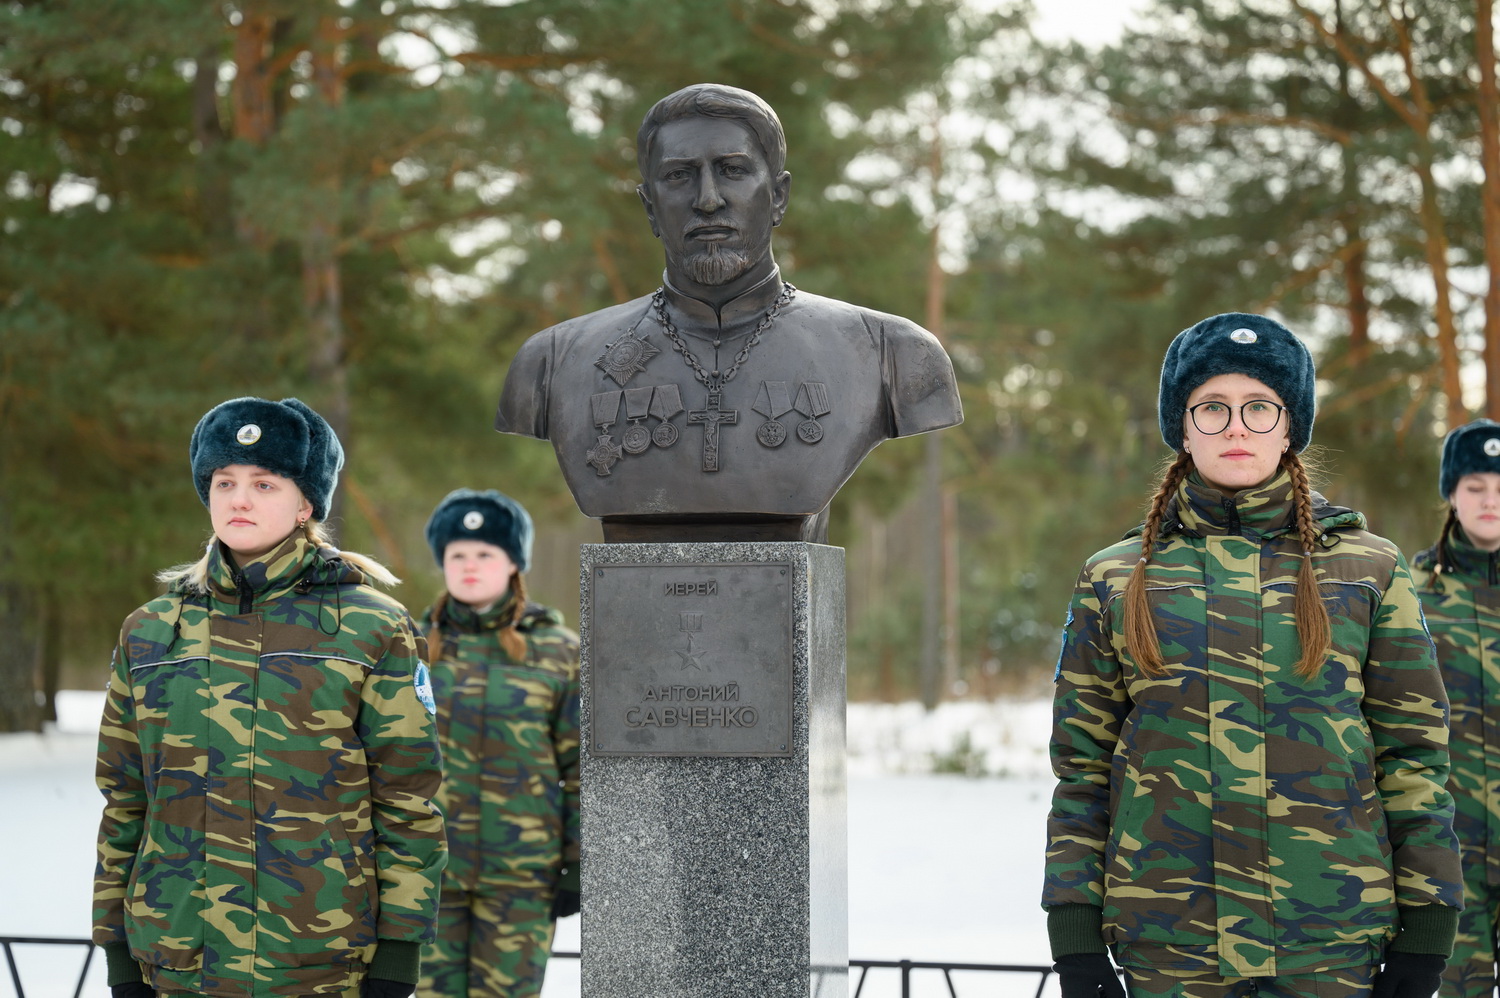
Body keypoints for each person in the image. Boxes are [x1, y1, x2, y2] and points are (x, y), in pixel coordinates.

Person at [1042, 313, 1462, 998]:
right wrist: (1075, 939)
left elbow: (1412, 758)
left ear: (1289, 426)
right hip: (1171, 947)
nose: (1236, 427)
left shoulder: (1369, 570)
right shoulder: (1115, 577)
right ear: (1182, 428)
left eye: (1259, 407)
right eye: (1212, 407)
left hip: (1329, 943)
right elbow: (1082, 772)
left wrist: (1427, 929)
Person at [495, 83, 962, 543]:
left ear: (778, 196)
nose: (708, 199)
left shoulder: (889, 353)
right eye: (679, 175)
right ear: (650, 207)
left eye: (733, 170)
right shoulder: (552, 362)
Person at [92, 396, 447, 998]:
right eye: (224, 482)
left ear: (305, 503)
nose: (240, 499)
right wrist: (118, 952)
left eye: (264, 483)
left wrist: (399, 951)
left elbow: (406, 798)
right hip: (177, 961)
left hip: (320, 961)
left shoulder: (372, 627)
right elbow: (125, 801)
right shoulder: (150, 631)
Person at [415, 489, 581, 998]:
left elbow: (582, 768)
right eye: (458, 554)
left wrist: (579, 860)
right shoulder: (408, 648)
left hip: (521, 877)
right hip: (429, 875)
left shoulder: (558, 652)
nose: (470, 566)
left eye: (485, 553)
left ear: (513, 563)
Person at [1412, 419, 1500, 997]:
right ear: (1451, 493)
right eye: (1475, 486)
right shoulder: (1411, 593)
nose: (1490, 501)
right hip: (1451, 856)